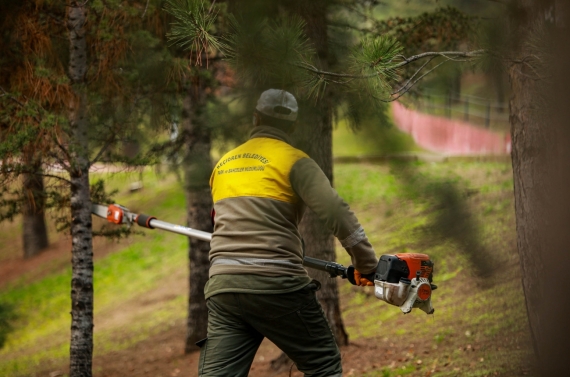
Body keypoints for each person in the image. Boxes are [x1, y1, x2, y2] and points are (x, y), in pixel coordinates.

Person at [198, 89, 378, 377]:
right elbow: (337, 213)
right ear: (293, 126)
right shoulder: (296, 161)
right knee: (324, 365)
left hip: (224, 287)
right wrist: (367, 264)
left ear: (256, 118)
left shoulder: (224, 164)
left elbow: (218, 220)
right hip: (278, 283)